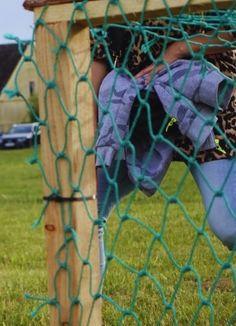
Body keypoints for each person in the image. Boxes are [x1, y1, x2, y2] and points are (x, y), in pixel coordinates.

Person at [91, 19, 236, 275]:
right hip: (138, 112)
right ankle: (81, 312)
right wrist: (91, 134)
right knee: (86, 208)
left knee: (229, 225)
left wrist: (178, 49)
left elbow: (231, 30)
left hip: (209, 108)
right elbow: (97, 59)